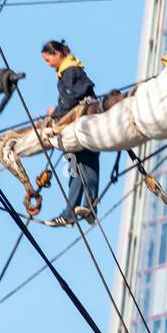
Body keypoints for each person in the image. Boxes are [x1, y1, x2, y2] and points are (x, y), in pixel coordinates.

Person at [39, 40, 100, 227]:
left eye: (48, 59)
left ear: (57, 54)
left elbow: (70, 101)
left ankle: (84, 207)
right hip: (77, 127)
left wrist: (54, 113)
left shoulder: (70, 71)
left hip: (83, 125)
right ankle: (73, 211)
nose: (47, 64)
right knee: (76, 169)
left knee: (84, 166)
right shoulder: (67, 71)